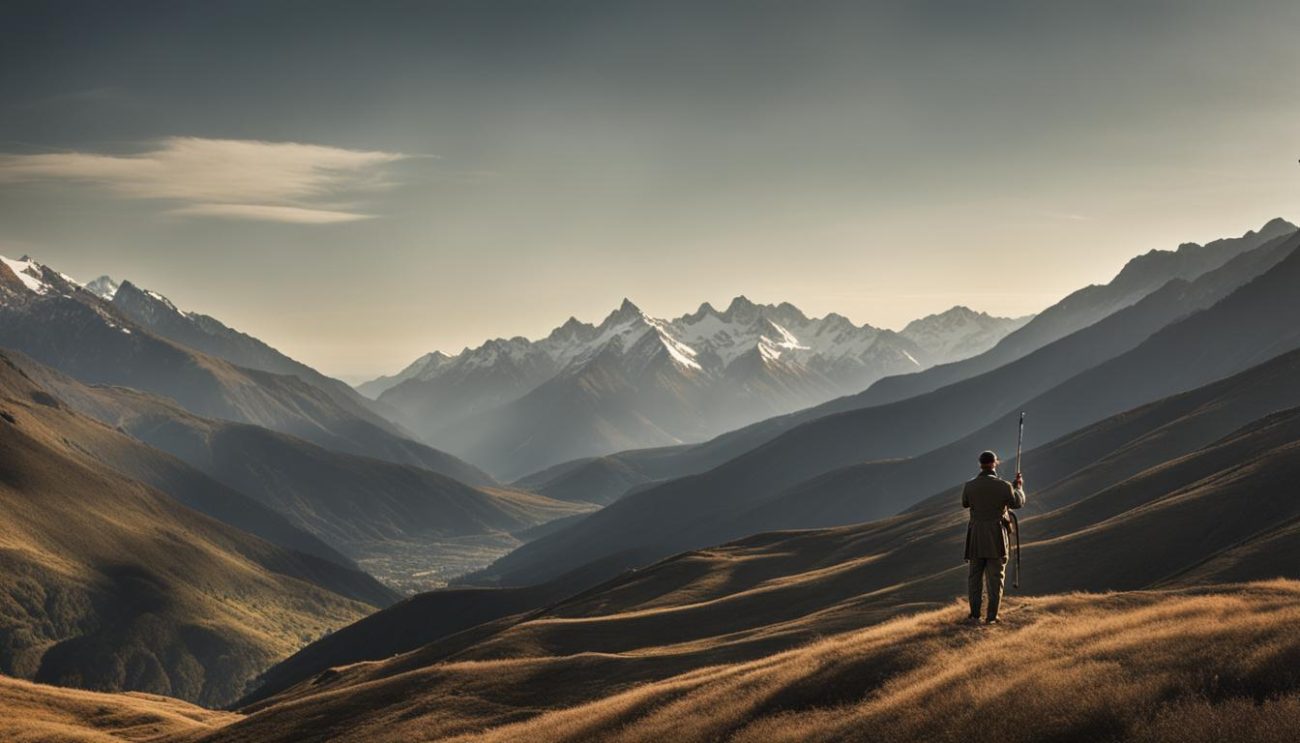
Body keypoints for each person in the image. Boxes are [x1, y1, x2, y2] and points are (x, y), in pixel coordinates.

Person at [962, 450, 1026, 624]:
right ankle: (992, 616)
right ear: (995, 463)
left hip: (975, 537)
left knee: (974, 578)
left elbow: (965, 503)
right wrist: (1018, 488)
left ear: (980, 464)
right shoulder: (1004, 486)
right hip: (996, 537)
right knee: (996, 578)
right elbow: (1017, 503)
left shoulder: (969, 486)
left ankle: (975, 615)